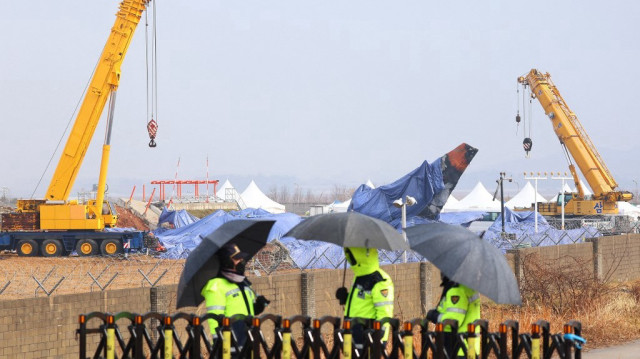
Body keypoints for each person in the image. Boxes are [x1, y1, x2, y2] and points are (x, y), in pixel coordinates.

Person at [201, 242, 270, 347]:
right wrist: (219, 341)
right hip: (230, 342)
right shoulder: (216, 285)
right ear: (227, 261)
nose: (241, 261)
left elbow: (248, 309)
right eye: (237, 259)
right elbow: (214, 318)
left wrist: (259, 306)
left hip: (248, 336)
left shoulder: (243, 282)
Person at [335, 247, 394, 348]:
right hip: (354, 332)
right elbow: (362, 303)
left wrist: (379, 333)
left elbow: (385, 311)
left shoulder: (379, 280)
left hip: (370, 336)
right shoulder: (360, 277)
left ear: (360, 254)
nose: (349, 258)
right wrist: (347, 298)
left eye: (351, 254)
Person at [426, 274, 480, 359]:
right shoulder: (469, 287)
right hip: (469, 346)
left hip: (457, 347)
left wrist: (435, 316)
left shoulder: (456, 290)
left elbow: (452, 321)